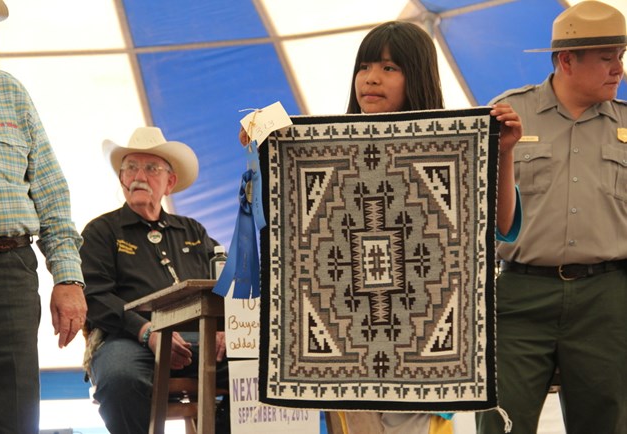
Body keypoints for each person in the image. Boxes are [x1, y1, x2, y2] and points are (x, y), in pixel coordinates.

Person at [240, 20, 522, 434]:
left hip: (422, 344)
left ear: (418, 77)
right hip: (345, 346)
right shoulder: (322, 153)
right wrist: (263, 151)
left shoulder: (453, 150)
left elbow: (502, 226)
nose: (371, 78)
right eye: (365, 66)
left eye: (390, 68)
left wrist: (505, 152)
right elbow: (290, 225)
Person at [476, 2, 627, 433]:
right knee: (501, 423)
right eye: (606, 57)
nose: (618, 68)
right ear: (566, 60)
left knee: (607, 423)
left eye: (620, 55)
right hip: (520, 294)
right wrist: (503, 149)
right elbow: (481, 215)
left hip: (608, 299)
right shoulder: (507, 114)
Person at [0, 1, 87, 433]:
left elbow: (51, 194)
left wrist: (68, 278)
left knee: (14, 415)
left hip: (10, 269)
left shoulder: (7, 91)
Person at [80, 126, 230, 434]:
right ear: (121, 179)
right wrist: (146, 331)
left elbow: (227, 281)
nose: (139, 175)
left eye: (151, 168)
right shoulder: (101, 231)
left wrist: (227, 327)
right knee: (120, 379)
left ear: (170, 183)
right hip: (128, 339)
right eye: (131, 168)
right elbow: (94, 297)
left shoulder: (193, 232)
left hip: (198, 338)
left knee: (261, 367)